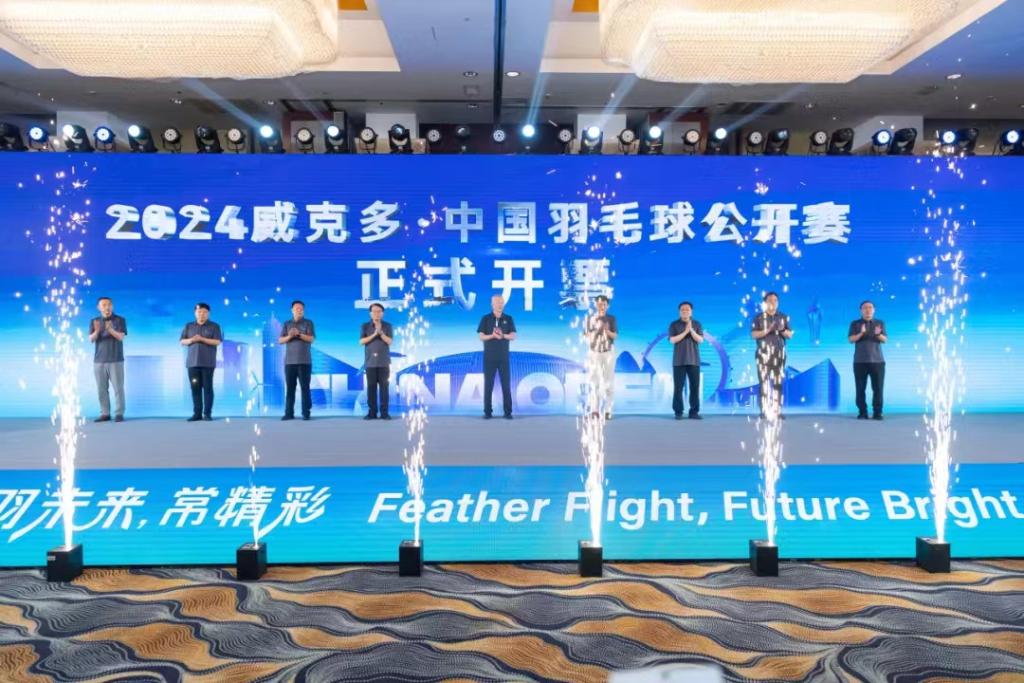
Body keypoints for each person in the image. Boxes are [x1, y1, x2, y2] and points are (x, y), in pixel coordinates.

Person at [750, 291, 793, 419]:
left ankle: (777, 411)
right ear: (765, 302)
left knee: (778, 383)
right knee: (764, 383)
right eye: (770, 300)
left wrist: (781, 329)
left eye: (775, 300)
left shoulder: (783, 317)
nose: (773, 303)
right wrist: (768, 330)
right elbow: (753, 335)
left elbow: (790, 335)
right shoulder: (758, 317)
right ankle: (764, 411)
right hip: (763, 354)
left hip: (779, 354)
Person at [179, 303, 222, 422]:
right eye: (199, 312)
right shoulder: (188, 326)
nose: (202, 314)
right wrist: (192, 340)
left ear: (208, 313)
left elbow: (217, 342)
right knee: (195, 388)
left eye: (204, 312)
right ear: (195, 313)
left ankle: (207, 414)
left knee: (208, 388)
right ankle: (197, 413)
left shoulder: (214, 326)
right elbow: (182, 341)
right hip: (192, 364)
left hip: (208, 363)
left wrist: (202, 339)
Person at [477, 294, 517, 419]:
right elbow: (481, 336)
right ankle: (487, 412)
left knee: (506, 385)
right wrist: (493, 336)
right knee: (488, 385)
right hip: (489, 358)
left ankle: (508, 412)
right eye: (497, 302)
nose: (500, 304)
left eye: (501, 302)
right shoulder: (485, 318)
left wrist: (503, 335)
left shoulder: (508, 318)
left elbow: (513, 336)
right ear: (492, 304)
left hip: (503, 358)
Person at [88, 296, 127, 423]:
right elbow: (91, 339)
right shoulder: (95, 321)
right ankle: (105, 413)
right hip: (99, 361)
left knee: (118, 388)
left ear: (112, 306)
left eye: (109, 304)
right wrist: (97, 331)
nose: (107, 307)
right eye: (104, 305)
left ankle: (119, 413)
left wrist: (110, 330)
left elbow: (120, 337)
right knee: (101, 389)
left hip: (116, 360)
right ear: (98, 307)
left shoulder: (120, 320)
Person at [848, 300, 887, 420]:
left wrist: (878, 334)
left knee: (878, 388)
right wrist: (861, 333)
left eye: (870, 307)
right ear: (861, 310)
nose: (868, 310)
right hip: (860, 362)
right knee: (860, 388)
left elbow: (885, 340)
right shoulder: (855, 323)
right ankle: (862, 412)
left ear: (874, 310)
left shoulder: (879, 323)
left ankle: (877, 412)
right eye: (865, 308)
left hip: (878, 361)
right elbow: (851, 339)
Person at [278, 300, 315, 421]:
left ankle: (306, 413)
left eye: (301, 309)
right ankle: (289, 413)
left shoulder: (308, 323)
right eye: (297, 308)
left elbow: (311, 339)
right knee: (290, 388)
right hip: (290, 362)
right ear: (292, 310)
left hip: (305, 362)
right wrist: (290, 336)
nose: (299, 310)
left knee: (305, 388)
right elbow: (280, 340)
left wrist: (298, 334)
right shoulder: (287, 323)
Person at [668, 301, 704, 420]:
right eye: (682, 309)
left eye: (687, 309)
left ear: (691, 311)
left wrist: (691, 330)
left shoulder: (697, 324)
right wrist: (685, 332)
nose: (685, 311)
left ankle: (694, 412)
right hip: (679, 361)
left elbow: (700, 340)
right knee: (678, 388)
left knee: (694, 387)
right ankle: (678, 412)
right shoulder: (674, 324)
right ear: (679, 312)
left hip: (694, 360)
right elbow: (672, 340)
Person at [585, 295, 618, 420]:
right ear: (595, 305)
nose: (602, 306)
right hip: (594, 352)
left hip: (608, 352)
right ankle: (595, 410)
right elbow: (586, 336)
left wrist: (606, 331)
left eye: (604, 304)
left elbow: (615, 336)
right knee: (595, 382)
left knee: (608, 381)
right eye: (599, 304)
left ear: (607, 306)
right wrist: (595, 331)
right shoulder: (590, 318)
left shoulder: (611, 318)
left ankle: (608, 410)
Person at [359, 303, 393, 420]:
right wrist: (374, 334)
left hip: (384, 362)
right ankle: (372, 412)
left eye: (379, 311)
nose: (376, 313)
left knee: (384, 388)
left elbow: (389, 341)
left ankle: (384, 413)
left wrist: (381, 333)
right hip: (370, 363)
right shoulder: (365, 326)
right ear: (370, 313)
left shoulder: (387, 326)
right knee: (371, 388)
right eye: (374, 311)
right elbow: (361, 341)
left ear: (382, 313)